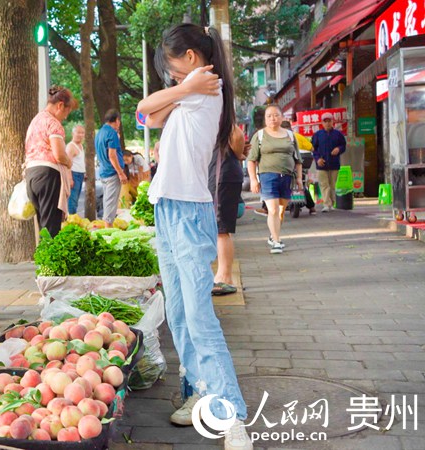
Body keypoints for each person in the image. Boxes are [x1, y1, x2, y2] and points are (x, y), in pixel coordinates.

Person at [136, 23, 251, 450]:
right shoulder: (191, 88)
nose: (168, 73)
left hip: (187, 211)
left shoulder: (206, 84)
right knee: (180, 313)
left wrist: (180, 88)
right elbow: (147, 115)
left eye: (170, 63)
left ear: (189, 58)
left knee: (199, 316)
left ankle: (231, 412)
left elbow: (146, 104)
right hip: (167, 207)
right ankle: (198, 392)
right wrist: (179, 90)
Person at [247, 105, 303, 254]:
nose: (273, 118)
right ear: (265, 119)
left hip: (286, 176)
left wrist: (299, 178)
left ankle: (273, 235)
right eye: (269, 116)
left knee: (281, 210)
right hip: (267, 176)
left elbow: (297, 159)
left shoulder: (290, 135)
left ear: (282, 117)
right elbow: (251, 160)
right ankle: (277, 242)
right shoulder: (259, 136)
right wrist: (253, 179)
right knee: (272, 209)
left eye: (276, 115)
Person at [24, 86, 77, 236]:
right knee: (51, 228)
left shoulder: (35, 121)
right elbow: (59, 154)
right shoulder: (53, 123)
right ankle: (49, 258)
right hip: (47, 176)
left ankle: (44, 257)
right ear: (60, 105)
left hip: (31, 175)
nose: (66, 117)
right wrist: (68, 162)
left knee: (43, 225)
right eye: (67, 112)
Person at [210, 125, 247, 296]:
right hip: (218, 175)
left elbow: (236, 134)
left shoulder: (218, 111)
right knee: (217, 228)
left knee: (221, 229)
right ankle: (222, 275)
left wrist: (237, 155)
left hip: (222, 176)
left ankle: (225, 277)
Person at [95, 110, 126, 224]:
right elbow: (112, 155)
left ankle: (107, 224)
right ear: (117, 120)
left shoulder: (100, 132)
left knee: (107, 200)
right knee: (111, 203)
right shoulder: (111, 133)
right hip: (112, 172)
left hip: (103, 171)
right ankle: (108, 227)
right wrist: (121, 173)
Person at [312, 112, 347, 212]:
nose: (327, 123)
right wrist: (318, 158)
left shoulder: (338, 134)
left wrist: (338, 149)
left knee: (332, 185)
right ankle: (326, 204)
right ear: (322, 123)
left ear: (333, 122)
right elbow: (313, 149)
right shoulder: (318, 135)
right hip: (321, 165)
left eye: (329, 121)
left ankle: (331, 203)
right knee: (324, 185)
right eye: (325, 121)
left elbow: (343, 146)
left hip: (334, 163)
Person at [281, 120, 317, 215]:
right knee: (303, 186)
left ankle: (269, 208)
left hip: (286, 166)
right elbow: (312, 148)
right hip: (302, 165)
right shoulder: (298, 136)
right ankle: (312, 207)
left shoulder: (279, 138)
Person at [67, 125, 86, 215]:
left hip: (80, 174)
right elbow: (67, 164)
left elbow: (80, 161)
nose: (80, 135)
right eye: (78, 132)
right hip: (73, 174)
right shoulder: (71, 147)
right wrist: (70, 178)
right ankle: (71, 218)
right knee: (72, 199)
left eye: (82, 133)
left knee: (77, 198)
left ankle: (73, 217)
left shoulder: (81, 145)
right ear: (73, 133)